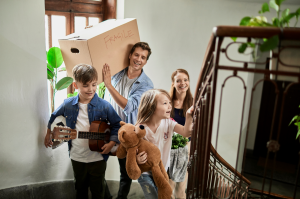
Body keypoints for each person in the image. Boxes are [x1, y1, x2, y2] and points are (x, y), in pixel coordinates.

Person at [44, 64, 121, 199]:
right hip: (77, 156)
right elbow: (53, 116)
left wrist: (111, 143)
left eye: (94, 84)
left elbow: (117, 124)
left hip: (98, 157)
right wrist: (47, 133)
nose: (91, 89)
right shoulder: (68, 104)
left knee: (98, 191)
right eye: (85, 85)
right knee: (80, 190)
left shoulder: (105, 105)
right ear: (75, 85)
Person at [102, 42, 154, 198]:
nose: (139, 59)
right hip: (108, 127)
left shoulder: (146, 84)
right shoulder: (118, 73)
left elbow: (130, 107)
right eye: (136, 55)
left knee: (124, 174)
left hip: (127, 133)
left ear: (146, 61)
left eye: (143, 57)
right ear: (130, 55)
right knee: (97, 167)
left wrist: (109, 86)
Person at [135, 89, 194, 199]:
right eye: (165, 103)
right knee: (152, 196)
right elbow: (132, 150)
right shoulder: (140, 128)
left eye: (169, 103)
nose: (169, 106)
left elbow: (186, 132)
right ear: (151, 107)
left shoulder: (169, 123)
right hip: (145, 173)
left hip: (163, 172)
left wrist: (189, 115)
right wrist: (137, 159)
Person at [168, 69, 193, 199]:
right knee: (169, 182)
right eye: (178, 80)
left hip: (185, 146)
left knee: (182, 183)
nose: (182, 83)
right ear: (173, 83)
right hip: (168, 146)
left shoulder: (194, 103)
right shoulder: (167, 102)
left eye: (185, 80)